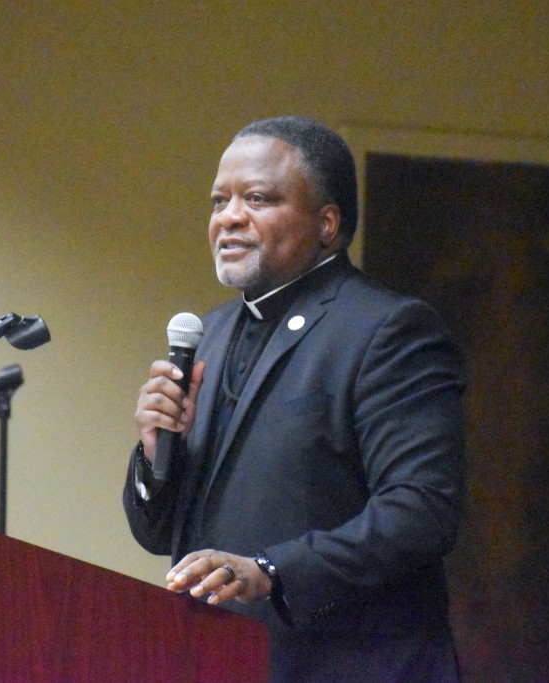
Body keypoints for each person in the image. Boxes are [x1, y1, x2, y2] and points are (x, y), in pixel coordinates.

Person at [123, 116, 466, 681]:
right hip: (222, 663)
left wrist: (272, 570)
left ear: (327, 223)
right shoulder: (208, 333)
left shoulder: (387, 330)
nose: (229, 217)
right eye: (218, 201)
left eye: (257, 198)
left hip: (351, 666)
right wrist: (157, 458)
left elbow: (423, 510)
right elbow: (160, 535)